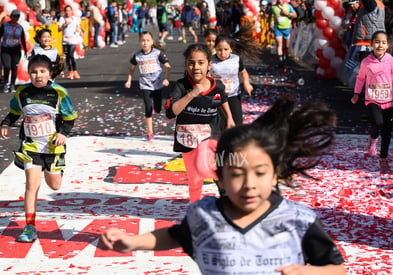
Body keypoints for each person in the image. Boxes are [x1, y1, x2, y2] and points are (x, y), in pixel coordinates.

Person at [100, 96, 346, 275]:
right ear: (220, 177)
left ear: (274, 175)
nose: (249, 184)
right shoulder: (204, 215)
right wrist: (134, 242)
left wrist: (307, 273)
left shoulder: (297, 219)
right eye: (237, 174)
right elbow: (176, 236)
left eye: (260, 173)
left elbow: (337, 269)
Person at [0, 54, 78, 243]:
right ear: (29, 73)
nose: (38, 75)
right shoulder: (22, 93)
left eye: (42, 71)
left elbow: (70, 117)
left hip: (53, 148)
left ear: (50, 73)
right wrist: (5, 123)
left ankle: (54, 171)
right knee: (31, 186)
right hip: (31, 147)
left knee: (54, 185)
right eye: (34, 72)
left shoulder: (58, 92)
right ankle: (30, 227)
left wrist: (63, 134)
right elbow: (15, 112)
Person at [165, 43, 234, 203]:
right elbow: (171, 112)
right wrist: (191, 94)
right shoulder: (180, 87)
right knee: (194, 179)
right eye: (191, 62)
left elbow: (223, 99)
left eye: (201, 63)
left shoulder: (218, 86)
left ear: (209, 64)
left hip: (210, 134)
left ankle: (223, 187)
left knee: (204, 165)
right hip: (187, 137)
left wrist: (230, 118)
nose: (196, 67)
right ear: (186, 65)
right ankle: (194, 206)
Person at [351, 31, 393, 172]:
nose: (380, 45)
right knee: (378, 123)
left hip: (387, 101)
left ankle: (383, 158)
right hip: (372, 100)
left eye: (383, 43)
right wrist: (356, 94)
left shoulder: (391, 61)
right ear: (372, 44)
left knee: (387, 131)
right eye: (377, 42)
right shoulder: (366, 62)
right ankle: (373, 139)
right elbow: (360, 78)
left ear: (387, 46)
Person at [124, 31, 171, 142]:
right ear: (139, 42)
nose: (145, 43)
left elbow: (168, 67)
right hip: (145, 85)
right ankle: (150, 133)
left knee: (158, 108)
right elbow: (131, 69)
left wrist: (167, 79)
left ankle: (156, 108)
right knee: (148, 108)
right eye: (143, 41)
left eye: (147, 40)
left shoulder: (158, 53)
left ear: (152, 42)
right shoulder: (137, 56)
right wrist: (129, 80)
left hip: (157, 85)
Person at [210, 27, 258, 125]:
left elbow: (243, 72)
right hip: (218, 97)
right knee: (223, 123)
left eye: (226, 49)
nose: (222, 53)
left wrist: (246, 83)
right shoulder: (211, 61)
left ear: (231, 49)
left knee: (237, 122)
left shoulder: (236, 59)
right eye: (219, 50)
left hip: (234, 95)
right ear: (215, 49)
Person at [0, 9, 28, 93]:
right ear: (11, 16)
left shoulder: (19, 27)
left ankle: (12, 85)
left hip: (16, 50)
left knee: (14, 67)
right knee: (7, 66)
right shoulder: (5, 25)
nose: (15, 18)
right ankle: (6, 84)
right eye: (14, 16)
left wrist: (25, 50)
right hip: (6, 49)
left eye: (17, 16)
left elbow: (22, 39)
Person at [58, 5, 81, 79]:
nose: (68, 12)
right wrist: (65, 25)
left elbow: (78, 27)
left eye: (69, 10)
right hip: (65, 40)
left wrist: (77, 30)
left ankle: (75, 70)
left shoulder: (75, 18)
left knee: (71, 55)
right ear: (64, 11)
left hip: (73, 40)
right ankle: (70, 72)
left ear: (71, 11)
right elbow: (59, 29)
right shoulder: (62, 19)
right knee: (67, 56)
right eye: (66, 10)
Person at [271, 0, 297, 67]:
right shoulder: (273, 7)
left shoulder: (288, 6)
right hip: (277, 28)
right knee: (279, 44)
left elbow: (295, 15)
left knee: (286, 46)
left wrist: (287, 14)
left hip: (286, 28)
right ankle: (280, 61)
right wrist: (270, 25)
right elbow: (269, 15)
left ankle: (284, 57)